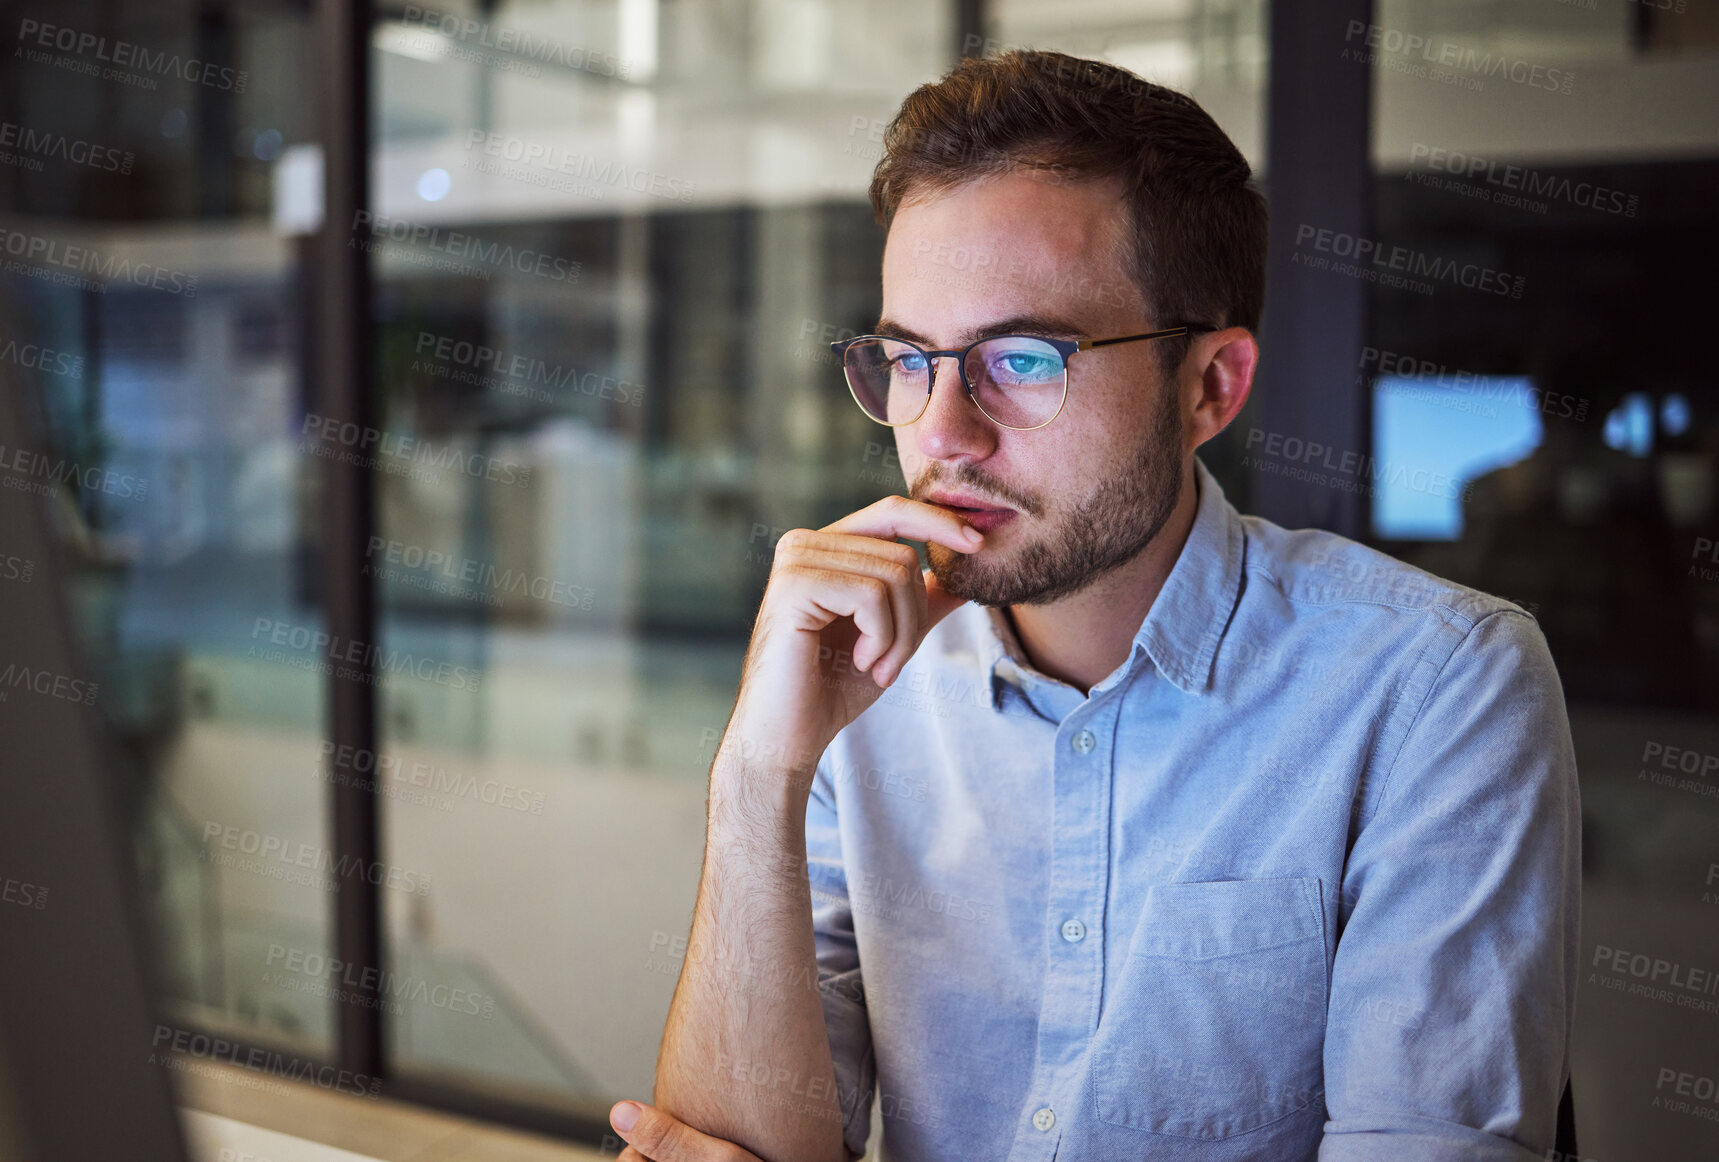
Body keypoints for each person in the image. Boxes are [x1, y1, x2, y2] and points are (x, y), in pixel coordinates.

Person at [608, 49, 1580, 1162]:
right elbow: (731, 1142)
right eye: (910, 359)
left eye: (1022, 358)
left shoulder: (1437, 685)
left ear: (1210, 385)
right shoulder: (863, 683)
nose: (942, 433)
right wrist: (757, 774)